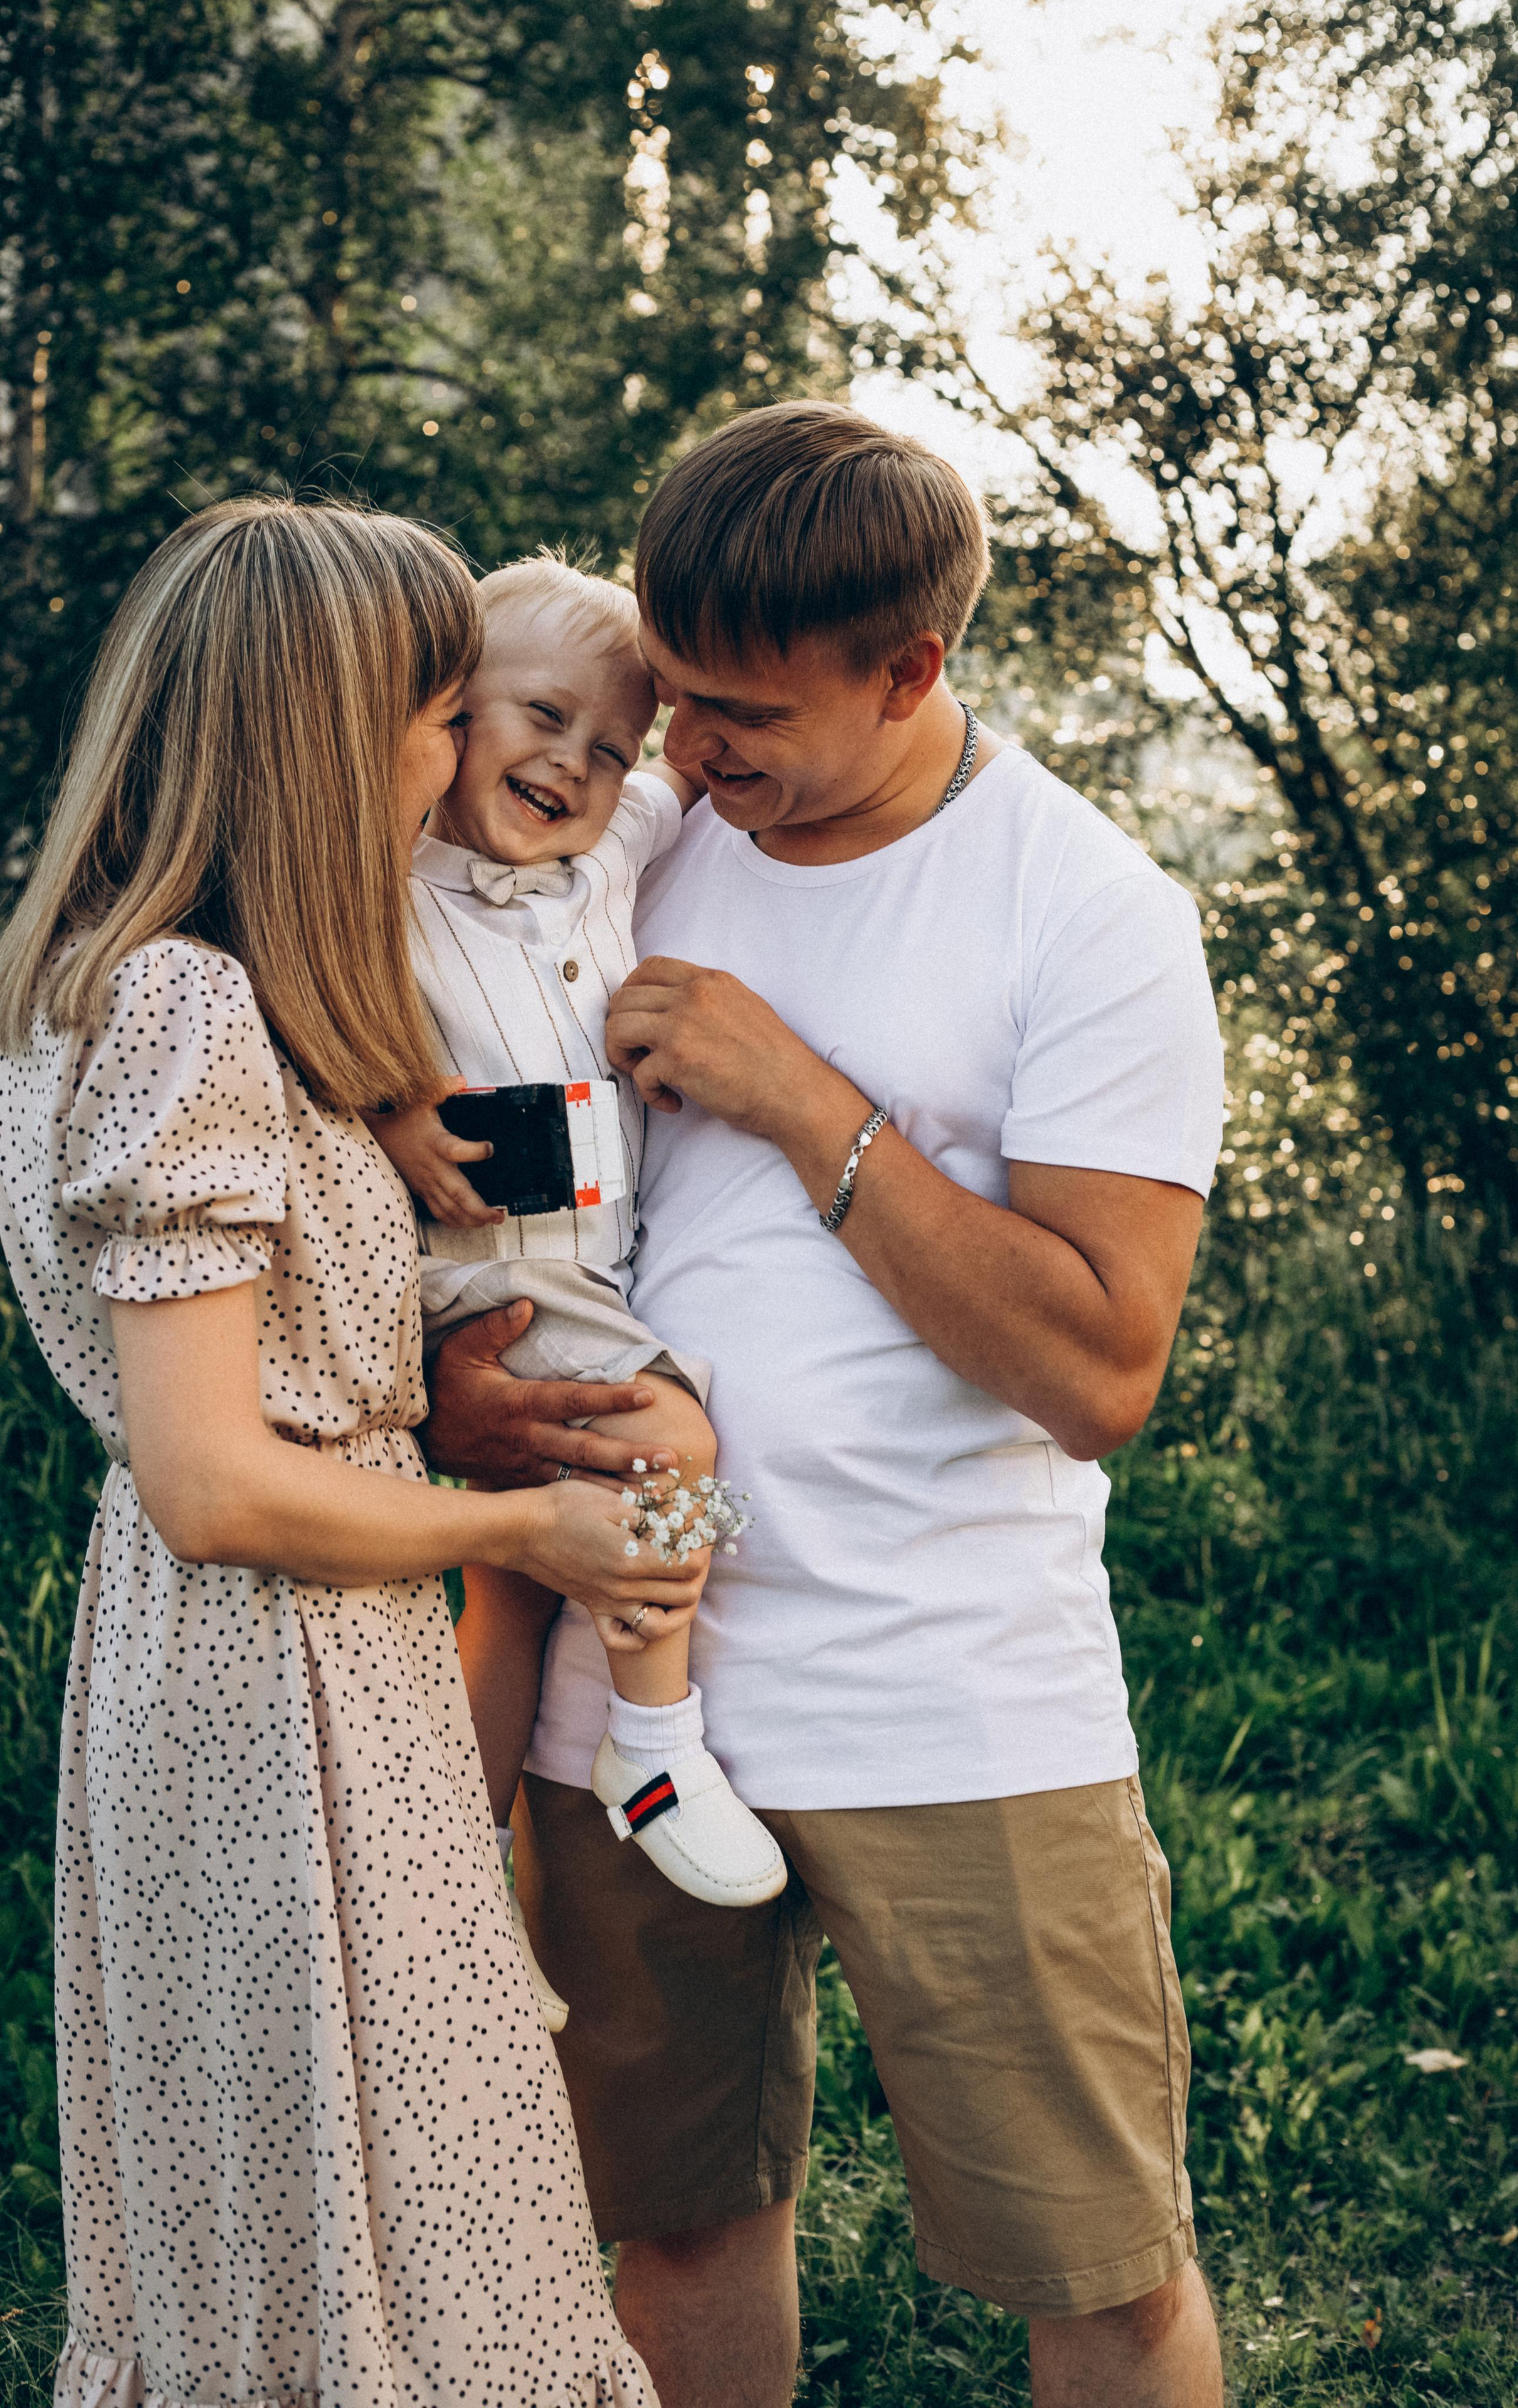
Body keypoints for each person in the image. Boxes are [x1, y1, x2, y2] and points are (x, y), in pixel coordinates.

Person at [426, 401, 1229, 2408]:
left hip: (952, 1693)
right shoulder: (628, 822)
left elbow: (1100, 1370)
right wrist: (464, 1383)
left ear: (914, 668)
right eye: (671, 702)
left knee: (1100, 2269)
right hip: (630, 1691)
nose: (687, 758)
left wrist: (800, 1099)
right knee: (680, 2222)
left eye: (743, 717)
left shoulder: (1089, 911)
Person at [0, 497, 688, 2408]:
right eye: (440, 708)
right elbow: (214, 1481)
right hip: (283, 1689)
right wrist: (530, 1525)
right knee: (415, 2244)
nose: (458, 752)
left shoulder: (118, 981)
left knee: (321, 2246)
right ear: (329, 731)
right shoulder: (185, 1007)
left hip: (238, 1680)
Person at [369, 553, 784, 1916]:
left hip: (580, 1269)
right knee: (676, 1447)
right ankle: (654, 1742)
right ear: (447, 715)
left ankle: (457, 1914)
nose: (571, 764)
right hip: (492, 1278)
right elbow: (289, 1034)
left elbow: (709, 768)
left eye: (607, 748)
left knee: (514, 1597)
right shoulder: (378, 888)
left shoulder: (610, 851)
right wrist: (390, 1120)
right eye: (539, 716)